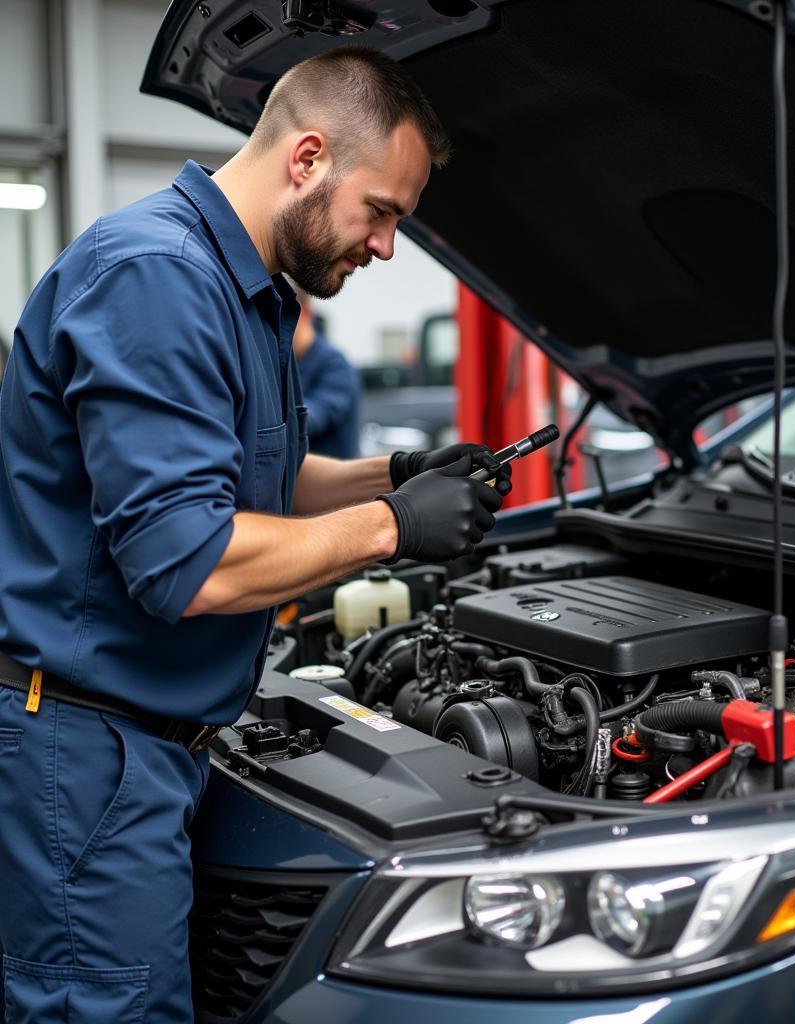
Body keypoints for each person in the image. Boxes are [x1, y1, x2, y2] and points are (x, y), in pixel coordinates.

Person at [0, 46, 509, 1024]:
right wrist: (392, 526)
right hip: (92, 746)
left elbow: (262, 482)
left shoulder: (248, 288)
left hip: (160, 737)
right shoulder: (156, 278)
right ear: (309, 157)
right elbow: (183, 559)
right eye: (384, 212)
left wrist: (396, 475)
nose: (387, 247)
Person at [291, 286, 363, 458]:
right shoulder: (287, 362)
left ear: (306, 314)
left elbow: (313, 418)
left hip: (334, 482)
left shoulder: (336, 366)